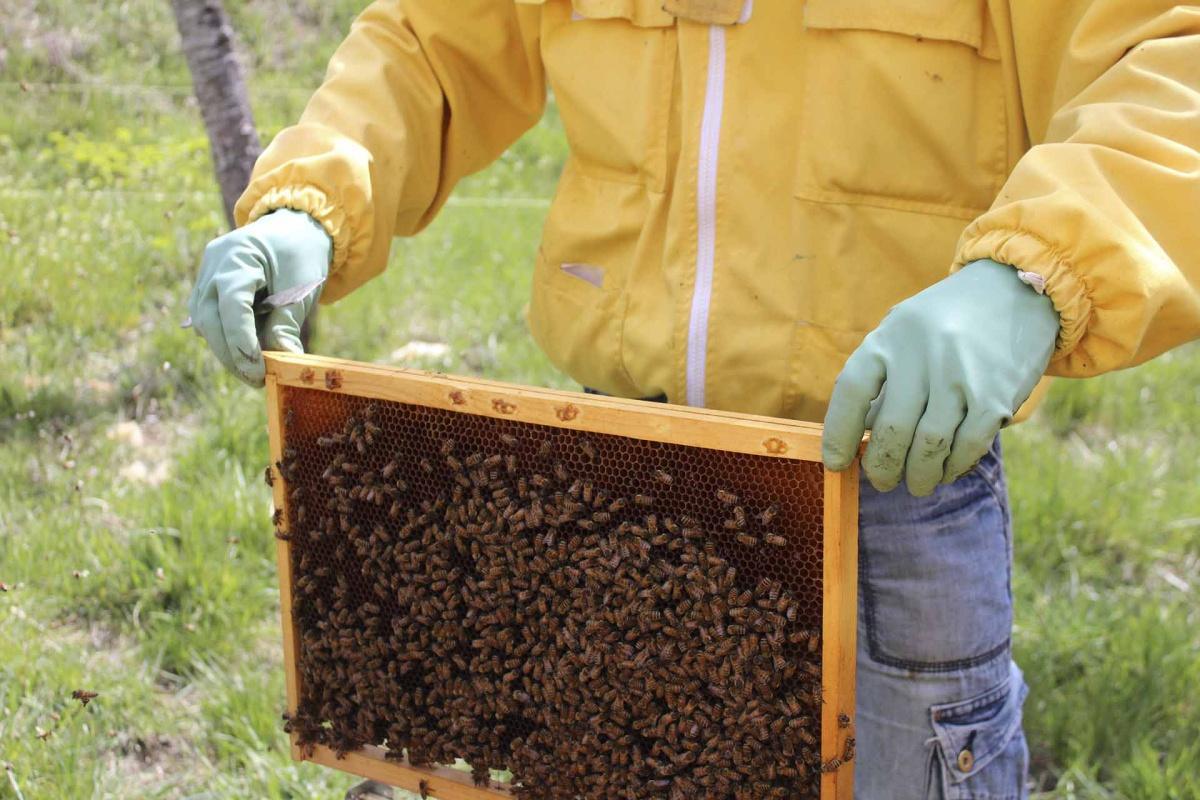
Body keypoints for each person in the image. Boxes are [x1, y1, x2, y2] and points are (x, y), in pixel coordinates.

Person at [187, 2, 1200, 796]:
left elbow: (1168, 60)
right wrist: (313, 201)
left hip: (888, 468)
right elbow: (434, 44)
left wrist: (1037, 272)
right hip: (616, 470)